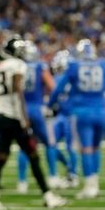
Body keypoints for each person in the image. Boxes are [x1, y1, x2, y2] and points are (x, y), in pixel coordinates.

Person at [0, 35, 66, 210]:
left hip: (1, 114)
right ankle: (48, 195)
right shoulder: (16, 65)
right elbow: (17, 92)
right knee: (33, 155)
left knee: (1, 157)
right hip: (14, 116)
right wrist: (23, 117)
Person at [48, 39, 105, 199]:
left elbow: (59, 88)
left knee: (85, 148)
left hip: (82, 112)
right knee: (95, 148)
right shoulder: (103, 65)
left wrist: (50, 104)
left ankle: (89, 185)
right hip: (101, 111)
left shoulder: (74, 66)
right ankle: (95, 182)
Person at [16, 40, 67, 192]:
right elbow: (52, 87)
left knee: (24, 145)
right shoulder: (40, 66)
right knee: (50, 143)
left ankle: (22, 181)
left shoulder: (18, 67)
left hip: (22, 109)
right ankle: (53, 177)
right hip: (37, 109)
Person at [49, 50, 79, 187]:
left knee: (70, 147)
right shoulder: (59, 79)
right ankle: (68, 166)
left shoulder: (71, 79)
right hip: (61, 115)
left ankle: (72, 176)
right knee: (51, 144)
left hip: (71, 116)